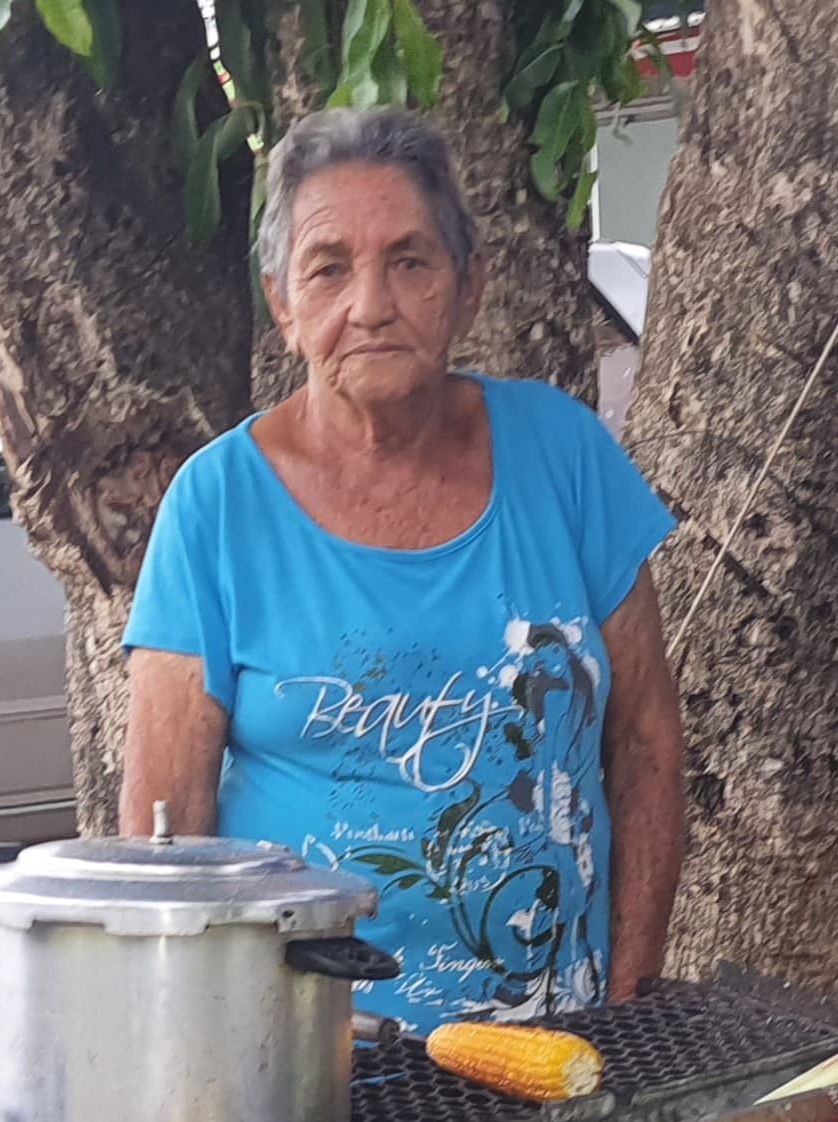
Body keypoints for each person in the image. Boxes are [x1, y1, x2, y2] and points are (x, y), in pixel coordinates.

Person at [119, 106, 687, 1033]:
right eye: (330, 267)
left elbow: (647, 745)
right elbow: (162, 826)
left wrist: (624, 1011)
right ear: (283, 303)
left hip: (557, 1043)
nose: (371, 304)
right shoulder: (216, 505)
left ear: (468, 289)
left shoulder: (565, 454)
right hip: (299, 1061)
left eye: (410, 261)